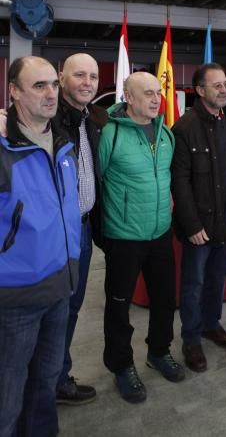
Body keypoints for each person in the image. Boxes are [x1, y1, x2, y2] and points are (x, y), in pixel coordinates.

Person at [0, 57, 81, 437]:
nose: (51, 94)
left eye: (53, 84)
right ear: (13, 91)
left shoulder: (62, 140)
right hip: (15, 298)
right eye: (39, 86)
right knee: (8, 394)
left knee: (45, 382)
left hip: (60, 287)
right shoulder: (3, 147)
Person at [99, 72, 184, 403]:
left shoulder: (165, 134)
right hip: (123, 236)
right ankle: (121, 366)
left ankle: (159, 351)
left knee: (165, 299)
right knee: (119, 307)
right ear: (128, 97)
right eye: (147, 93)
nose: (154, 99)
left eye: (157, 93)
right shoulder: (111, 133)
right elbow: (99, 178)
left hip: (161, 232)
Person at [171, 63, 226, 372]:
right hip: (198, 222)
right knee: (194, 281)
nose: (223, 89)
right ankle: (191, 338)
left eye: (225, 84)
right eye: (216, 85)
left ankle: (211, 325)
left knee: (217, 277)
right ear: (200, 91)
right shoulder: (184, 128)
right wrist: (192, 224)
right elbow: (179, 181)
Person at [55, 53, 107, 405]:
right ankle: (42, 383)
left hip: (84, 230)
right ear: (61, 78)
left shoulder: (96, 118)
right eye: (79, 75)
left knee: (71, 308)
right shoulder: (47, 118)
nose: (88, 82)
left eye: (93, 76)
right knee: (50, 311)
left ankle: (58, 379)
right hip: (54, 233)